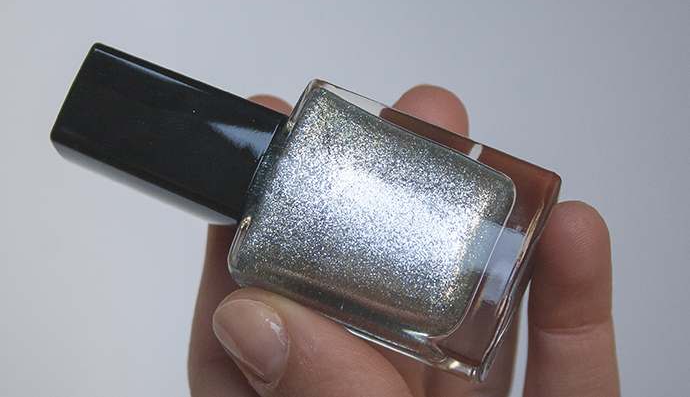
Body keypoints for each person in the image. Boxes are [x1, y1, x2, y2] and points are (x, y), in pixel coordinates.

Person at [187, 85, 620, 396]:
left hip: (503, 236)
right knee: (433, 106)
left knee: (433, 107)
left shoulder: (313, 120)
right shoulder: (251, 250)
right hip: (451, 315)